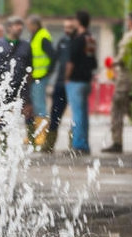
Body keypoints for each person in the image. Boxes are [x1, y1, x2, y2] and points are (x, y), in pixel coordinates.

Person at [102, 12, 132, 153]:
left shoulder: (130, 36)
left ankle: (117, 142)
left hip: (126, 78)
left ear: (131, 22)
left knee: (118, 108)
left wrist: (112, 62)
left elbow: (123, 57)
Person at [39, 17, 76, 152]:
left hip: (73, 83)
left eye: (70, 28)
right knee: (55, 114)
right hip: (60, 83)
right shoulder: (62, 41)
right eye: (65, 27)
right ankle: (49, 144)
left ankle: (73, 144)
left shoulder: (78, 42)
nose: (67, 30)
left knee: (75, 116)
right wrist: (48, 74)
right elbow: (55, 60)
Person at [65, 10, 97, 155]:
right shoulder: (90, 38)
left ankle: (77, 145)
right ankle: (84, 144)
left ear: (78, 22)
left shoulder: (77, 40)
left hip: (76, 81)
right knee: (84, 114)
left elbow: (71, 62)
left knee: (77, 114)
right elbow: (93, 61)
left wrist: (66, 77)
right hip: (86, 81)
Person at [0, 16, 33, 108]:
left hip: (21, 86)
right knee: (0, 113)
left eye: (21, 25)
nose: (20, 28)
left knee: (25, 114)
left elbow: (30, 66)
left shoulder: (26, 45)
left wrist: (28, 85)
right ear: (9, 27)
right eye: (17, 25)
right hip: (1, 85)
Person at [26, 15, 56, 145]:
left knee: (40, 106)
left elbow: (53, 56)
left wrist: (48, 73)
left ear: (35, 25)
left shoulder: (42, 37)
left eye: (29, 25)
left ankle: (41, 136)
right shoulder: (35, 36)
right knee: (35, 106)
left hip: (41, 76)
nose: (28, 27)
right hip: (35, 76)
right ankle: (34, 135)